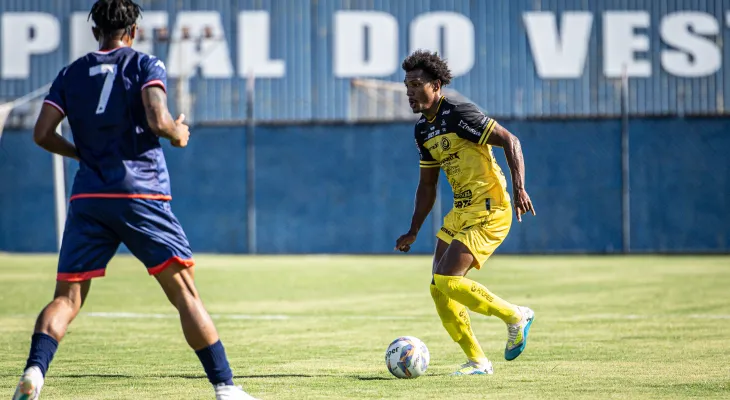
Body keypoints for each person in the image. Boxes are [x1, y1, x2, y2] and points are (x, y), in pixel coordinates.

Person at [12, 1, 257, 399]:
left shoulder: (70, 73)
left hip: (90, 195)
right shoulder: (145, 65)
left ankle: (35, 373)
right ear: (134, 29)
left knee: (66, 298)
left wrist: (81, 154)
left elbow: (42, 134)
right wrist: (177, 133)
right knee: (184, 293)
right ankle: (226, 387)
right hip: (140, 193)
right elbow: (158, 120)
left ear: (96, 31)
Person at [395, 50, 536, 376]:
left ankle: (516, 315)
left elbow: (510, 141)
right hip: (461, 212)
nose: (410, 92)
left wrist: (519, 189)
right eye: (407, 85)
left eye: (417, 84)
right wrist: (414, 230)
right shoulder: (423, 130)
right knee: (438, 288)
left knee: (448, 279)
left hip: (491, 209)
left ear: (437, 85)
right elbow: (427, 186)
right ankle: (478, 361)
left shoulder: (459, 113)